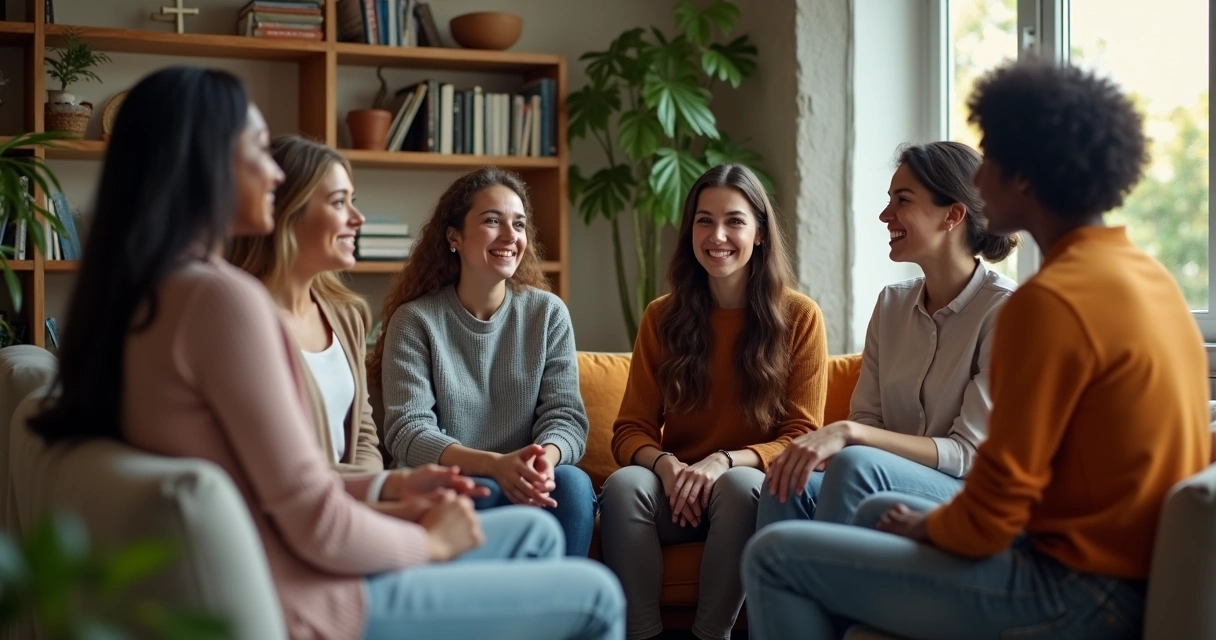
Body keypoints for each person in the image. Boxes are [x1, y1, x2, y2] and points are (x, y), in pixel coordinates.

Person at [27, 66, 624, 640]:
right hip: (306, 593)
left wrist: (385, 489)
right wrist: (430, 542)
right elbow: (311, 515)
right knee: (598, 594)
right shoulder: (222, 300)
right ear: (206, 159)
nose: (275, 173)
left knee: (538, 536)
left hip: (284, 557)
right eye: (261, 150)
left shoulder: (147, 291)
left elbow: (284, 485)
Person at [742, 58, 1211, 640]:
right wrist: (927, 525)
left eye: (989, 157)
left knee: (774, 556)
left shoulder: (1046, 303)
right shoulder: (1145, 275)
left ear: (1024, 175)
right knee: (867, 516)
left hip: (1080, 591)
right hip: (1114, 570)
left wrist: (932, 528)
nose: (980, 175)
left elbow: (991, 509)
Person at [599, 164, 829, 640]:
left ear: (761, 233)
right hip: (676, 493)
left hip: (749, 496)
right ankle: (641, 635)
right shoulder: (661, 316)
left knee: (739, 484)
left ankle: (710, 635)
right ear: (690, 231)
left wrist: (722, 462)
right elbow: (630, 430)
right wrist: (668, 468)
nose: (717, 235)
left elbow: (803, 438)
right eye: (704, 220)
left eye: (735, 221)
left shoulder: (800, 318)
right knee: (623, 486)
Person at [757, 141, 1017, 527]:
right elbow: (869, 420)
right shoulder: (892, 304)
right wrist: (853, 436)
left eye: (902, 200)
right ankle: (778, 589)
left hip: (967, 489)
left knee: (856, 463)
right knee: (785, 479)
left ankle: (832, 584)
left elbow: (966, 455)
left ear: (952, 216)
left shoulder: (1005, 309)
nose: (885, 215)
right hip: (886, 475)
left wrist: (848, 434)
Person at [369, 166, 596, 557]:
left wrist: (541, 462)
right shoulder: (415, 320)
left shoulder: (548, 314)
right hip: (454, 481)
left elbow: (566, 418)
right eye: (493, 221)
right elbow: (408, 430)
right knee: (483, 491)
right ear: (454, 236)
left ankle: (558, 612)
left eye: (519, 224)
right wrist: (495, 466)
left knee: (573, 486)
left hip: (524, 478)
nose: (511, 236)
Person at [229, 134, 383, 474]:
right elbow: (273, 468)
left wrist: (377, 494)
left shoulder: (347, 314)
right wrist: (385, 489)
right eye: (339, 203)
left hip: (353, 504)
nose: (358, 219)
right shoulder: (240, 322)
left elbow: (364, 436)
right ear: (287, 213)